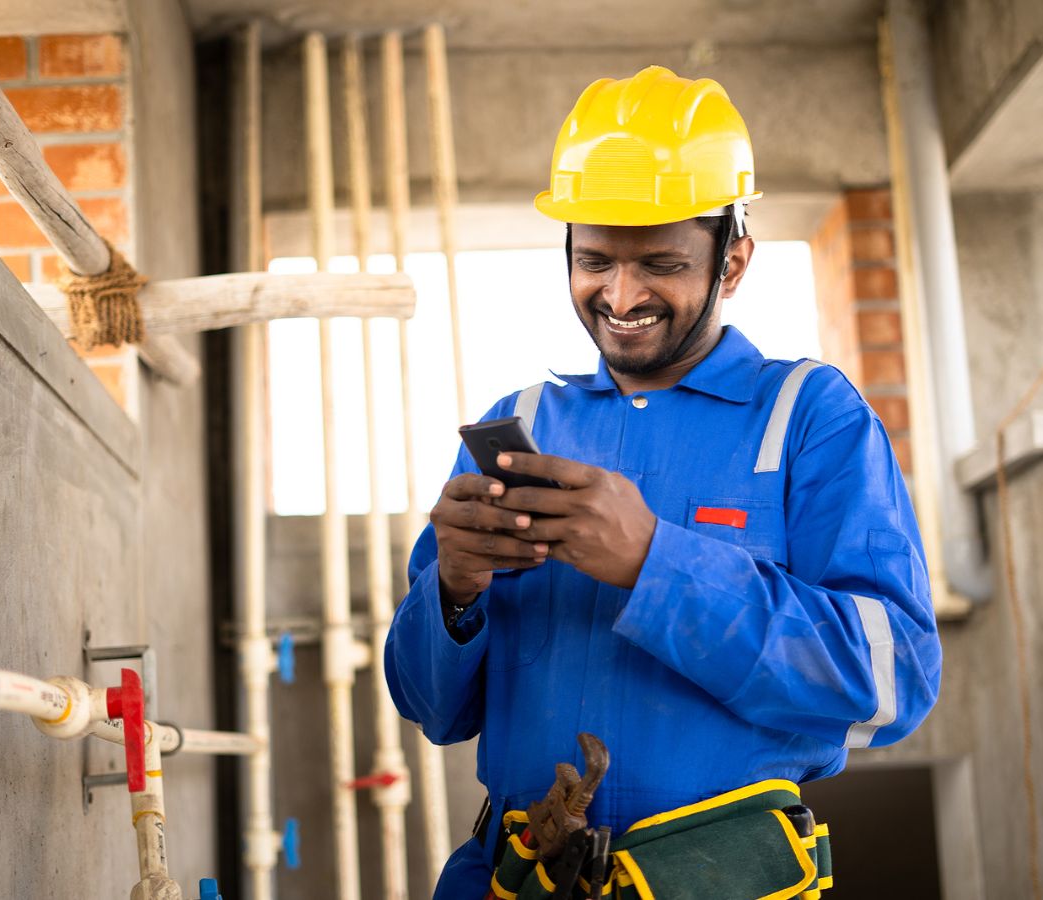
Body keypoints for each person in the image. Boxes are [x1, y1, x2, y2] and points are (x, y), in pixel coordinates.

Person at [385, 65, 941, 898]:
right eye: (594, 259)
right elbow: (433, 709)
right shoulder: (524, 423)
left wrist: (656, 561)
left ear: (734, 259)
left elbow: (893, 681)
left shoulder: (809, 416)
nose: (621, 294)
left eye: (660, 263)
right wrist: (456, 591)